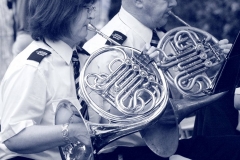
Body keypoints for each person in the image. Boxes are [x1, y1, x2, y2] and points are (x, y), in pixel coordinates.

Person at [0, 0, 161, 159]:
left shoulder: (85, 60)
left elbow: (106, 121)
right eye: (86, 8)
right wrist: (71, 131)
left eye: (92, 7)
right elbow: (13, 137)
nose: (92, 15)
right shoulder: (33, 67)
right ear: (60, 12)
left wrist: (136, 78)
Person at [83, 0, 240, 159]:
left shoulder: (161, 36)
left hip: (166, 147)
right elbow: (110, 116)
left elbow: (190, 94)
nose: (174, 3)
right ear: (139, 2)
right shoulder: (107, 48)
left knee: (234, 146)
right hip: (129, 152)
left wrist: (206, 64)